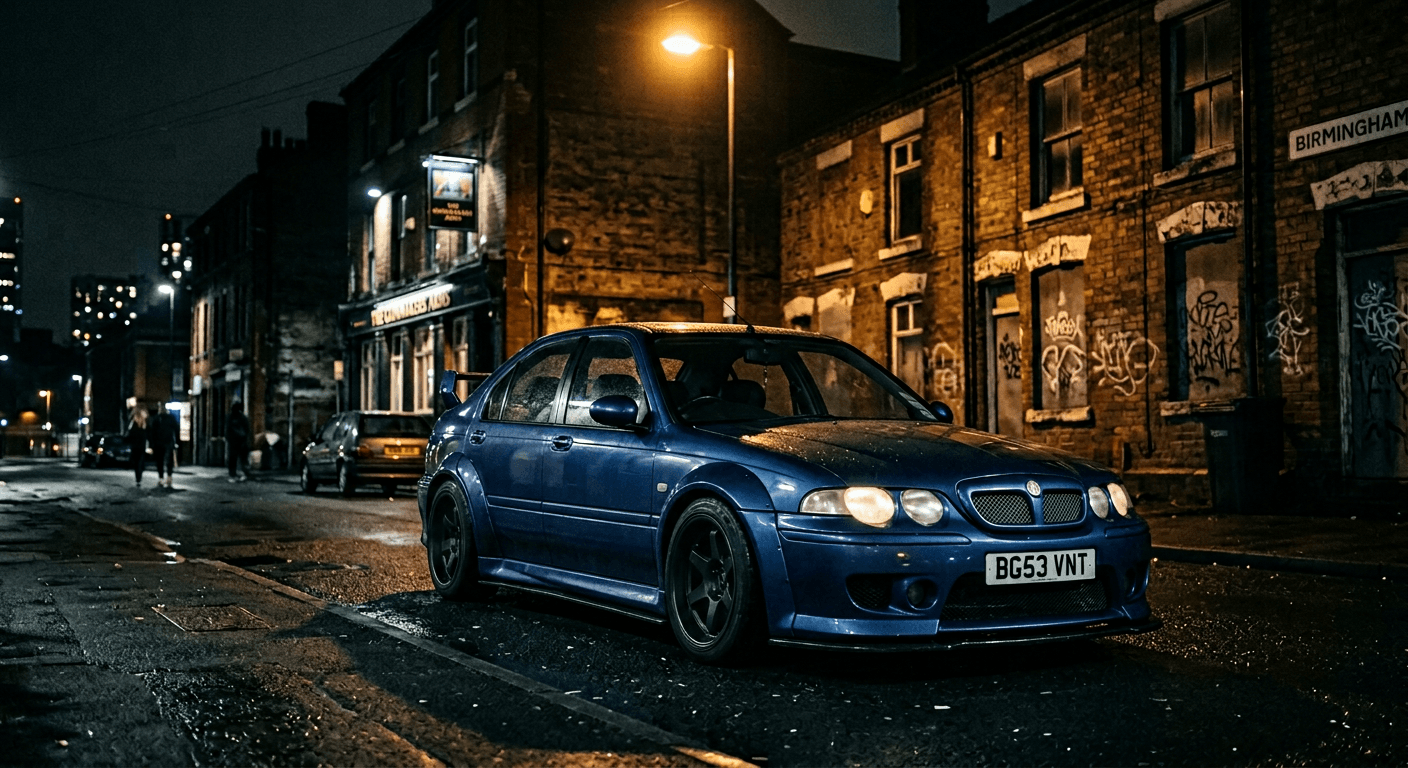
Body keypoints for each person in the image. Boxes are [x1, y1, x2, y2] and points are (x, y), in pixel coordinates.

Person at [149, 406, 180, 489]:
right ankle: (167, 478)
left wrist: (152, 444)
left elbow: (152, 432)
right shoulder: (170, 418)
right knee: (167, 461)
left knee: (161, 461)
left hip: (161, 443)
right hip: (167, 443)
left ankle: (162, 478)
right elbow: (176, 429)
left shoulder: (157, 418)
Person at [226, 400, 251, 482]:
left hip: (234, 441)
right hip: (240, 441)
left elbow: (227, 430)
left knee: (233, 458)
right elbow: (247, 430)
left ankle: (233, 474)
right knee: (242, 458)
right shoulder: (242, 417)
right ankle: (243, 473)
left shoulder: (230, 417)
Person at [127, 405, 149, 486]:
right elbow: (148, 433)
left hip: (135, 445)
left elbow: (129, 434)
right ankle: (139, 475)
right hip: (142, 444)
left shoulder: (133, 422)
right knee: (141, 460)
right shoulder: (144, 422)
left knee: (136, 462)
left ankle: (138, 478)